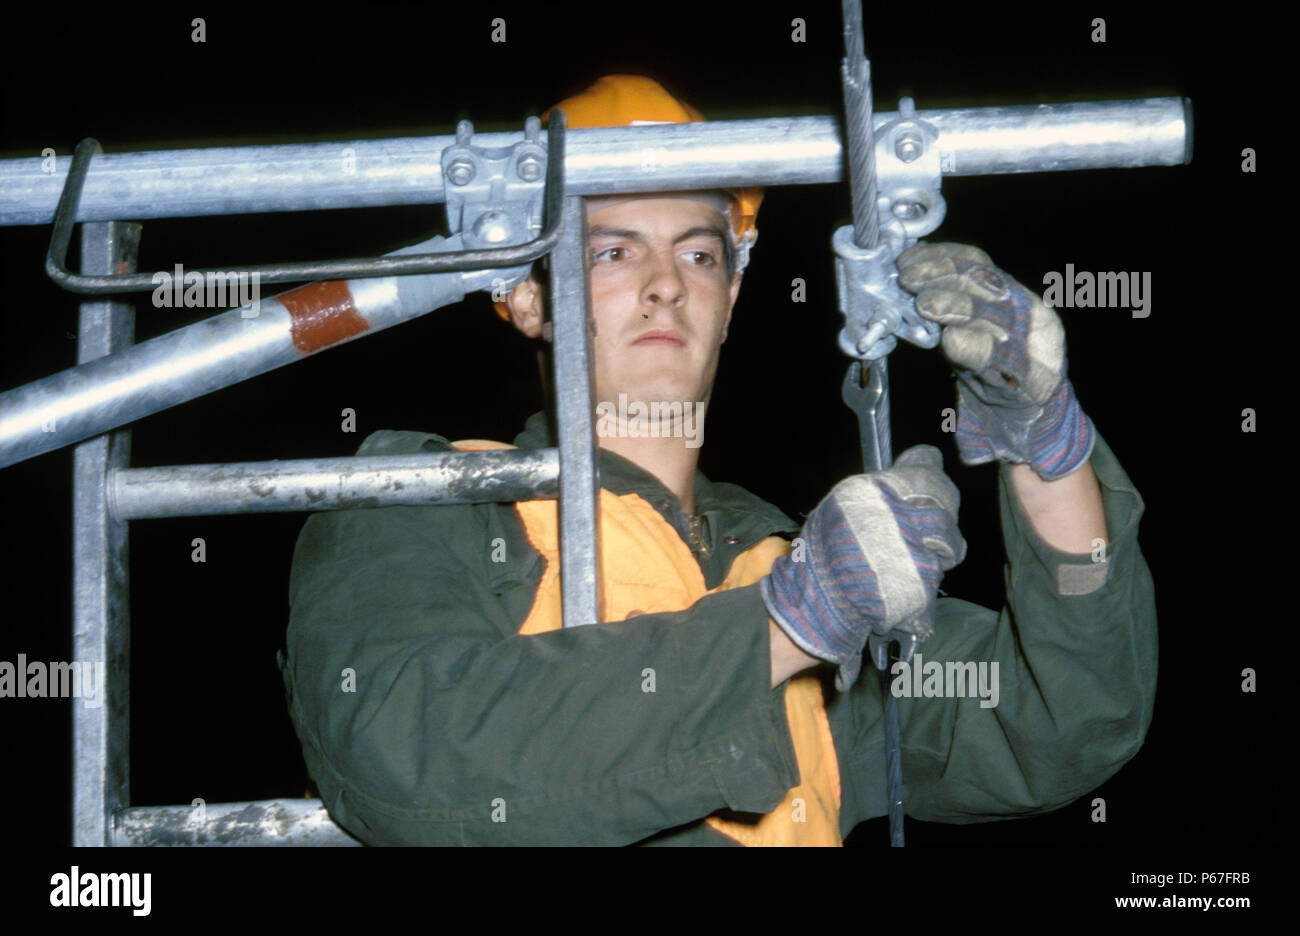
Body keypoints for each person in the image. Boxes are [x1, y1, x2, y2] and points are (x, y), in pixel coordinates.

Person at [278, 75, 1157, 846]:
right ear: (527, 295)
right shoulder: (428, 497)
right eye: (613, 250)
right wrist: (787, 627)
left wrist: (1042, 442)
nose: (667, 282)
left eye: (698, 253)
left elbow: (1065, 722)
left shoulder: (793, 557)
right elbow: (401, 756)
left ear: (731, 295)